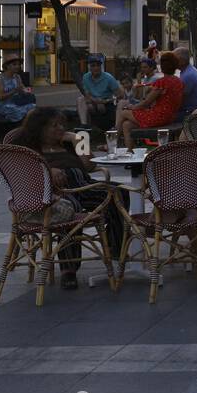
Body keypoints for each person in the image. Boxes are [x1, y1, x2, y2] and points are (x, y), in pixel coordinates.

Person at [14, 107, 124, 291]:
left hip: (84, 185)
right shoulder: (31, 149)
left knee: (118, 193)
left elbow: (89, 165)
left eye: (61, 124)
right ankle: (68, 270)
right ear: (39, 128)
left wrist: (77, 139)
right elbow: (21, 170)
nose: (60, 128)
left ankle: (115, 249)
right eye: (53, 125)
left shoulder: (67, 143)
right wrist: (47, 170)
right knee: (71, 210)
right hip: (59, 193)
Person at [114, 51, 183, 148]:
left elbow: (146, 102)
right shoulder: (178, 81)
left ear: (162, 66)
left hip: (158, 117)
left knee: (123, 112)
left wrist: (133, 107)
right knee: (126, 125)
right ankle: (130, 153)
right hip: (170, 116)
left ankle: (113, 142)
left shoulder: (161, 83)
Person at [77, 54, 125, 129]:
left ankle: (110, 127)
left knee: (101, 108)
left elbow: (120, 95)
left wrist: (105, 101)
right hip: (93, 100)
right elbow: (87, 94)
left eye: (98, 65)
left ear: (101, 66)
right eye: (93, 65)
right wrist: (94, 101)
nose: (96, 68)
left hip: (106, 102)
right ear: (89, 67)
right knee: (80, 100)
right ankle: (84, 125)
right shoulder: (86, 77)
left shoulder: (108, 78)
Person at [0, 58, 36, 122]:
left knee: (32, 107)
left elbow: (23, 88)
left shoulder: (17, 77)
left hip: (17, 102)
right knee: (16, 111)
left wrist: (26, 91)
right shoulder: (0, 79)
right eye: (14, 64)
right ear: (7, 66)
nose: (17, 66)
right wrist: (15, 90)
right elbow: (0, 97)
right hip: (5, 105)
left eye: (18, 64)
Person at [174, 47, 197, 121]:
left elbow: (179, 100)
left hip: (191, 114)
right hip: (192, 111)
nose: (172, 61)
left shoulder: (188, 75)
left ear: (182, 61)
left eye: (174, 59)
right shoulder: (187, 71)